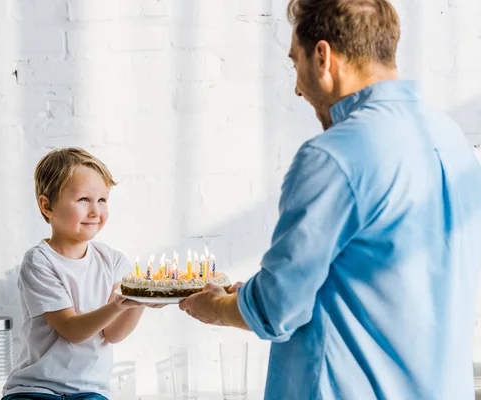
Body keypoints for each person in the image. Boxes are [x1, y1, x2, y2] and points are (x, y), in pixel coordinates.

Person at [180, 0, 481, 399]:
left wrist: (216, 308)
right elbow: (381, 275)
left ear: (323, 57)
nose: (297, 87)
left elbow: (276, 310)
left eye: (295, 63)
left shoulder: (333, 156)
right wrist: (253, 290)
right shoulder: (451, 140)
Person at [3, 148, 152, 400]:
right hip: (35, 388)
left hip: (89, 391)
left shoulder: (113, 260)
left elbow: (113, 334)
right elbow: (71, 329)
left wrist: (142, 301)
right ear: (47, 206)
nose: (95, 211)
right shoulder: (39, 261)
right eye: (84, 199)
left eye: (102, 200)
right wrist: (119, 303)